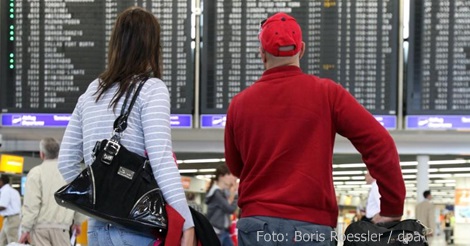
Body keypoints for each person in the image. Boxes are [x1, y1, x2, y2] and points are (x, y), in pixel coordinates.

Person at [224, 12, 406, 245]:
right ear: (301, 49)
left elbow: (236, 166)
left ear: (261, 53)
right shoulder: (327, 93)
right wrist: (392, 206)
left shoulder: (239, 103)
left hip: (258, 223)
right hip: (311, 226)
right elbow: (379, 142)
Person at [57, 6, 195, 245]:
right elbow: (161, 162)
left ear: (116, 44)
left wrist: (103, 197)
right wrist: (187, 221)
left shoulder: (92, 92)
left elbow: (66, 161)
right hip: (136, 231)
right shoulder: (152, 89)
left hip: (97, 229)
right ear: (152, 46)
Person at [19, 138, 87, 245]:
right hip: (63, 228)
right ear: (58, 153)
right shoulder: (68, 173)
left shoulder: (36, 173)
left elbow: (32, 204)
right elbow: (78, 199)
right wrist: (78, 222)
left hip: (40, 229)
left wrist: (25, 229)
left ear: (42, 154)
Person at [206, 164, 238, 246]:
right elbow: (229, 208)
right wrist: (234, 197)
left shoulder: (221, 191)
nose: (231, 177)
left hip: (223, 231)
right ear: (221, 176)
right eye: (228, 174)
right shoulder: (216, 193)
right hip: (216, 231)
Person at [0, 174, 21, 245]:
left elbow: (3, 206)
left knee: (12, 242)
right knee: (3, 241)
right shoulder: (12, 190)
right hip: (9, 219)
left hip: (12, 219)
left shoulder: (6, 191)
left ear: (1, 181)